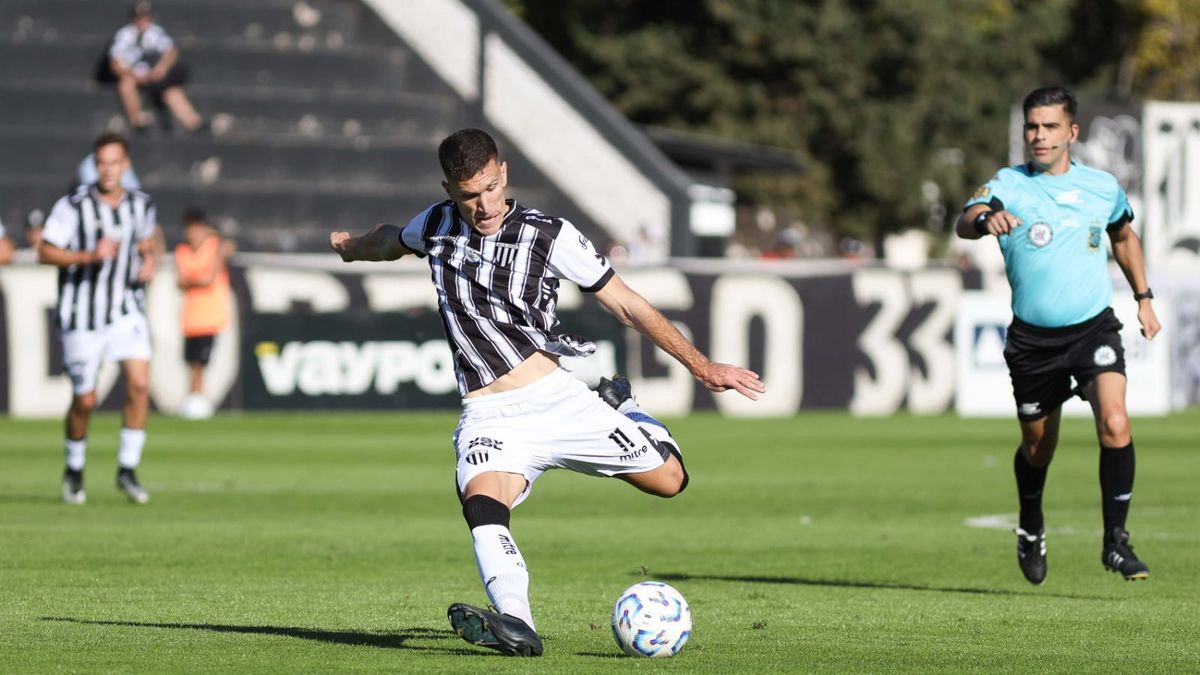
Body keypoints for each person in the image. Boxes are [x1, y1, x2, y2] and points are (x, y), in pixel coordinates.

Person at [330, 128, 765, 656]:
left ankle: (624, 407)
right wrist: (352, 248)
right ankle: (517, 624)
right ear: (449, 189)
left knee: (671, 481)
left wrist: (702, 366)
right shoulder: (437, 225)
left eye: (490, 187)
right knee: (482, 501)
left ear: (504, 173)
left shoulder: (550, 235)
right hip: (490, 413)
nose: (484, 205)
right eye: (469, 195)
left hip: (561, 401)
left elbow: (626, 303)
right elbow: (390, 239)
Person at [956, 87, 1162, 585]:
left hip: (1093, 327)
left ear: (1072, 132)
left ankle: (1116, 541)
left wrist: (1144, 297)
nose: (1039, 136)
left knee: (1115, 421)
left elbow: (1123, 236)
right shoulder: (1009, 183)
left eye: (1050, 127)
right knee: (1038, 447)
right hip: (1033, 342)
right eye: (1032, 126)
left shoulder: (1102, 187)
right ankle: (1031, 525)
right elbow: (965, 221)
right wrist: (986, 219)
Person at [39, 132, 160, 505]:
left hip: (125, 310)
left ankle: (127, 469)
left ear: (126, 166)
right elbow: (45, 250)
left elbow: (146, 244)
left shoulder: (141, 205)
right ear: (95, 166)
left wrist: (149, 261)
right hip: (82, 316)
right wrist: (89, 256)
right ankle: (74, 470)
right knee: (86, 400)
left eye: (114, 162)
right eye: (101, 163)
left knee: (139, 383)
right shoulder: (72, 206)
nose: (108, 170)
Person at [174, 206, 234, 419]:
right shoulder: (182, 251)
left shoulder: (214, 246)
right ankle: (193, 398)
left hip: (210, 316)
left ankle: (198, 399)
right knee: (192, 363)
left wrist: (195, 279)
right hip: (191, 317)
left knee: (201, 363)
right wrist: (199, 279)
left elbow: (208, 278)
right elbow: (182, 280)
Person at [108, 1, 203, 132]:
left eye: (146, 17)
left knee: (172, 92)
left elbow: (171, 51)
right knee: (126, 85)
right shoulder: (124, 34)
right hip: (133, 76)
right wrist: (132, 74)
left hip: (155, 77)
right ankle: (137, 122)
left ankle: (194, 123)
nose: (143, 21)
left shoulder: (156, 32)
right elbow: (115, 63)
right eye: (139, 17)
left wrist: (161, 68)